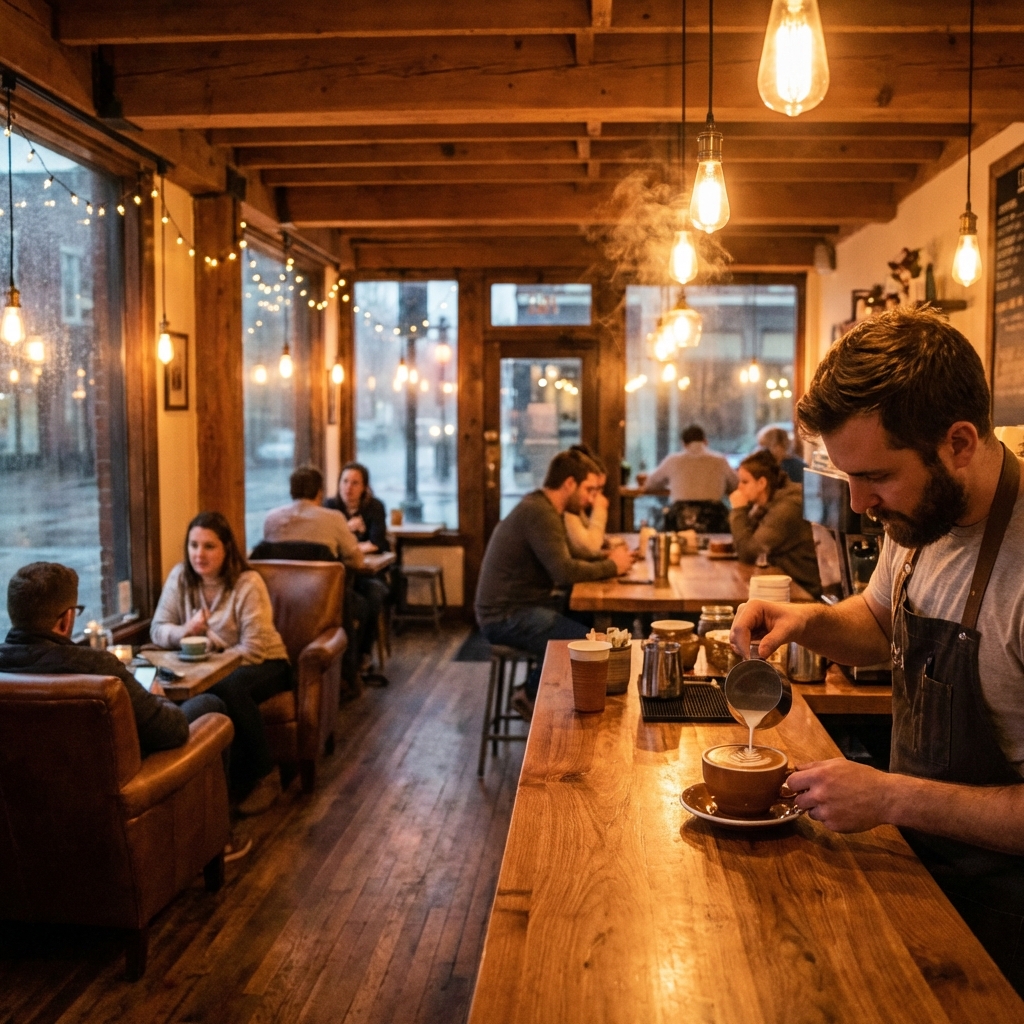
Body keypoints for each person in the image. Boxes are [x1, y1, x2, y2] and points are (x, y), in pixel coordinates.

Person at [729, 306, 1024, 992]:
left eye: (877, 478)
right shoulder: (921, 512)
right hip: (917, 873)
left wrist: (891, 798)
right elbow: (884, 621)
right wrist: (804, 620)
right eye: (847, 477)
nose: (860, 504)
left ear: (958, 443)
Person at [0, 561, 223, 754]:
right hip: (118, 789)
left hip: (23, 796)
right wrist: (160, 697)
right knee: (209, 703)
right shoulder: (96, 667)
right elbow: (171, 732)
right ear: (66, 620)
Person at [475, 448, 633, 719]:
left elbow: (570, 554)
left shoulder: (545, 508)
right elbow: (563, 571)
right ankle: (530, 694)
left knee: (589, 625)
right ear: (569, 483)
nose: (591, 499)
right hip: (505, 616)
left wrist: (607, 557)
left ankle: (556, 693)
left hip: (521, 607)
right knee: (579, 642)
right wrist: (612, 566)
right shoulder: (540, 513)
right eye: (589, 490)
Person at [152, 512, 292, 810]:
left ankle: (265, 776)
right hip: (213, 667)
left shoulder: (247, 583)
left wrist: (210, 645)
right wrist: (184, 632)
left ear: (227, 548)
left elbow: (253, 649)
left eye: (209, 546)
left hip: (266, 662)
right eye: (193, 545)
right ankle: (216, 786)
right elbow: (158, 628)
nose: (198, 554)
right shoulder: (180, 577)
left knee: (227, 689)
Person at [729, 448, 821, 598]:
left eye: (745, 481)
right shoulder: (769, 503)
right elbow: (742, 544)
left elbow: (748, 553)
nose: (739, 487)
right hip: (785, 585)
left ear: (762, 483)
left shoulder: (788, 507)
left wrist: (739, 510)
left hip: (802, 592)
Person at [263, 465, 365, 569]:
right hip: (324, 585)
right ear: (320, 492)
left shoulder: (270, 519)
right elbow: (357, 561)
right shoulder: (334, 518)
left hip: (279, 584)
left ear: (291, 491)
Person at [643, 424, 738, 532]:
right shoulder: (720, 461)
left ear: (683, 443)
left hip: (680, 518)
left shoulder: (673, 460)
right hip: (714, 518)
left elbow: (649, 484)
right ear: (705, 441)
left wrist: (672, 483)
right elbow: (735, 484)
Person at [325, 462, 390, 554]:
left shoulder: (375, 506)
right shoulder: (329, 505)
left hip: (372, 559)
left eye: (355, 483)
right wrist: (347, 528)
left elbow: (376, 543)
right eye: (345, 481)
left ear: (364, 487)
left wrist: (347, 549)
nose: (348, 487)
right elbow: (326, 540)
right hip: (340, 560)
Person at [564, 443, 609, 559]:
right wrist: (600, 510)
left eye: (600, 488)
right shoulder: (569, 509)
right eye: (592, 489)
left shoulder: (576, 509)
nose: (597, 495)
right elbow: (590, 547)